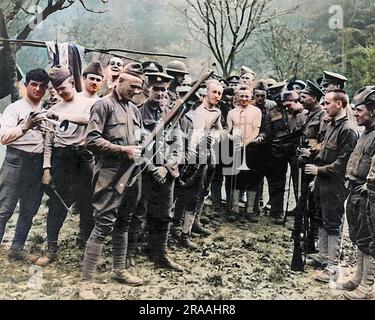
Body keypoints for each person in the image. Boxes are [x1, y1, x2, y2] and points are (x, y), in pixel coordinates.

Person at [78, 63, 145, 300]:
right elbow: (91, 140)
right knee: (103, 224)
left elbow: (138, 140)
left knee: (124, 221)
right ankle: (86, 283)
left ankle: (119, 269)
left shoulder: (134, 109)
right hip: (109, 172)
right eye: (132, 86)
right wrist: (122, 149)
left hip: (131, 173)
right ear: (118, 81)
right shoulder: (103, 105)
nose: (136, 91)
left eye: (139, 88)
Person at [35, 66, 96, 266]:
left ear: (72, 82)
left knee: (88, 204)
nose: (62, 92)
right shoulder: (53, 110)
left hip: (84, 158)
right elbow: (48, 143)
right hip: (62, 160)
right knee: (57, 205)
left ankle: (86, 243)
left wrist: (64, 117)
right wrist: (46, 168)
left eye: (64, 87)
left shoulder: (89, 103)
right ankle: (52, 246)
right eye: (57, 89)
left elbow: (89, 121)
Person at [126, 72, 184, 271]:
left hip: (166, 173)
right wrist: (152, 169)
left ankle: (160, 253)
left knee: (164, 214)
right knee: (137, 213)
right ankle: (129, 256)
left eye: (163, 90)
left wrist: (166, 168)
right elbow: (135, 145)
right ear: (147, 89)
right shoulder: (137, 112)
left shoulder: (173, 113)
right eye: (156, 89)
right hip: (144, 172)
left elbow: (178, 145)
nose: (160, 93)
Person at [305, 89, 359, 285]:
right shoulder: (332, 125)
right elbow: (324, 150)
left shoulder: (348, 130)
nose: (324, 106)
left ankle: (333, 268)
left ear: (340, 104)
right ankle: (323, 257)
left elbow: (343, 163)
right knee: (321, 218)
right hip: (323, 181)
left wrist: (318, 171)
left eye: (327, 103)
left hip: (335, 184)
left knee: (333, 223)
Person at [0, 68, 49, 261]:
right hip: (15, 160)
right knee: (4, 208)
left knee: (29, 209)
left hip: (36, 164)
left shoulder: (45, 112)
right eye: (34, 84)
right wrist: (24, 127)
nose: (37, 89)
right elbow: (3, 137)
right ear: (26, 85)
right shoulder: (14, 108)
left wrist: (46, 168)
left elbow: (48, 143)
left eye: (42, 86)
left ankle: (17, 248)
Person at [178, 79, 224, 248]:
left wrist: (215, 135)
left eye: (220, 93)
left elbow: (220, 129)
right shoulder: (194, 110)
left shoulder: (216, 112)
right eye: (214, 92)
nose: (217, 96)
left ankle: (193, 223)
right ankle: (182, 231)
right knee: (188, 192)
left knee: (202, 190)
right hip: (190, 156)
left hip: (206, 155)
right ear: (206, 92)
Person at [340, 88, 375, 300]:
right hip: (357, 191)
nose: (356, 113)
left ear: (372, 111)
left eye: (359, 110)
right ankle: (358, 278)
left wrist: (368, 187)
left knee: (371, 240)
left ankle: (368, 287)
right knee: (361, 237)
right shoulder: (366, 132)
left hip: (369, 194)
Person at [226, 86, 262, 222]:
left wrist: (245, 143)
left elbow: (256, 130)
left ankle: (250, 210)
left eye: (247, 96)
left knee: (252, 179)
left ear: (251, 97)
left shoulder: (256, 111)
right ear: (237, 97)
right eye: (241, 96)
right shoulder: (231, 113)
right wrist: (233, 139)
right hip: (235, 148)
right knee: (237, 179)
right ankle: (234, 209)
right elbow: (227, 131)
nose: (244, 99)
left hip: (252, 149)